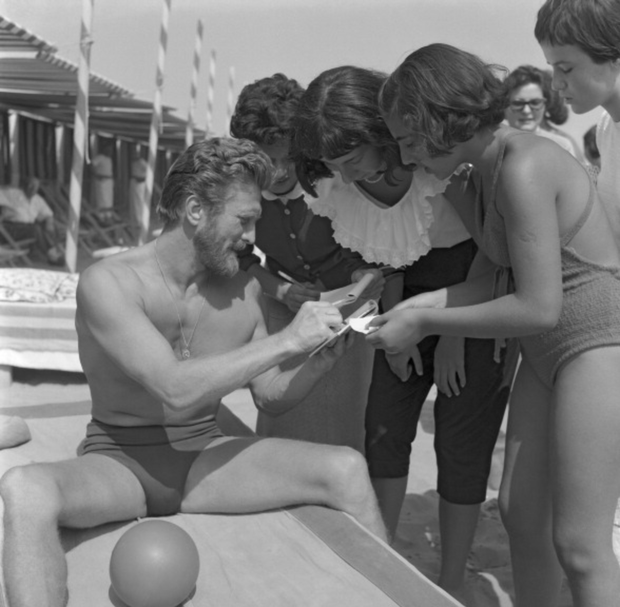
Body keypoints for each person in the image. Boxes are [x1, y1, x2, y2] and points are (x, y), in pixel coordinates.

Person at [0, 138, 387, 607]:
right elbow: (174, 388)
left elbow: (269, 393)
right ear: (195, 210)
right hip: (120, 461)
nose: (252, 237)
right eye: (243, 220)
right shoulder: (110, 283)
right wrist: (288, 340)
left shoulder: (243, 290)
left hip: (207, 458)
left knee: (346, 468)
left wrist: (318, 360)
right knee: (26, 488)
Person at [375, 42, 620, 607]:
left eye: (409, 139)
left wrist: (424, 320)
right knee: (521, 516)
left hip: (596, 343)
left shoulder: (524, 164)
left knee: (581, 545)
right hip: (546, 350)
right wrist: (414, 306)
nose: (406, 156)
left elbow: (538, 306)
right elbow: (494, 282)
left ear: (441, 118)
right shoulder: (477, 176)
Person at [291, 65, 514, 604]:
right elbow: (381, 264)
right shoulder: (339, 187)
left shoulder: (438, 169)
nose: (344, 175)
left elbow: (492, 250)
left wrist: (454, 334)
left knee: (462, 443)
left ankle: (452, 578)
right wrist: (396, 332)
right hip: (401, 307)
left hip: (471, 299)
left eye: (352, 160)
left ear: (382, 131)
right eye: (333, 166)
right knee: (384, 431)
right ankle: (384, 560)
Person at [229, 73, 383, 452]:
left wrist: (357, 276)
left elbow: (375, 245)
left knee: (343, 414)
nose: (280, 171)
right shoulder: (239, 193)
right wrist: (278, 289)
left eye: (290, 158)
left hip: (351, 311)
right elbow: (238, 255)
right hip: (283, 310)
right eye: (268, 159)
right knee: (281, 410)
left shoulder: (337, 181)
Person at [535, 0, 620, 249]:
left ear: (614, 57)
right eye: (553, 69)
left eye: (566, 69)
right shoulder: (605, 128)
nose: (555, 84)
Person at [503, 64, 581, 157]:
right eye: (518, 103)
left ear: (545, 105)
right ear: (505, 106)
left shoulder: (561, 146)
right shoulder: (494, 147)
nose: (526, 111)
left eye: (535, 103)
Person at [0, 176, 63, 265]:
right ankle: (51, 253)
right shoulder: (12, 194)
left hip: (27, 228)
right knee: (35, 229)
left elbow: (48, 213)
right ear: (24, 185)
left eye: (35, 186)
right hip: (10, 228)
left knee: (51, 227)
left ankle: (57, 251)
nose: (32, 188)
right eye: (30, 185)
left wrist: (49, 223)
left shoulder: (37, 199)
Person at [91, 140, 115, 224]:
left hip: (109, 181)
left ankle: (108, 216)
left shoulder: (109, 159)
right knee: (102, 199)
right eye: (108, 149)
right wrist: (96, 175)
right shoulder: (99, 157)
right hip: (101, 181)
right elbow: (91, 165)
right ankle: (101, 217)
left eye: (111, 150)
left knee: (109, 199)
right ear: (104, 149)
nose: (110, 151)